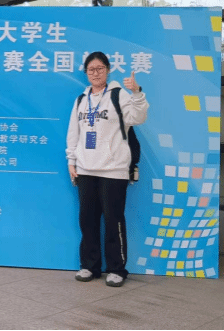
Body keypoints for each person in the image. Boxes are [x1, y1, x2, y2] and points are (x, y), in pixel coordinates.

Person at [66, 51, 148, 287]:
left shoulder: (118, 94)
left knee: (114, 221)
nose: (95, 73)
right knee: (87, 220)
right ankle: (89, 266)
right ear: (86, 73)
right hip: (85, 169)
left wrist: (137, 93)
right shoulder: (81, 100)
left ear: (108, 70)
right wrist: (72, 161)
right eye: (91, 69)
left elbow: (138, 118)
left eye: (100, 68)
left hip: (113, 170)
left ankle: (116, 269)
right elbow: (74, 133)